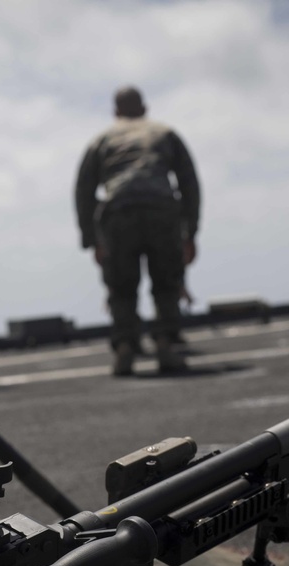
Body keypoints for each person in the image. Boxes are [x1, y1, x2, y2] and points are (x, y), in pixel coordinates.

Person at [75, 86, 201, 376]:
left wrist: (92, 239)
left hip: (118, 215)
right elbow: (189, 183)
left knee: (121, 288)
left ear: (115, 111)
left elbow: (83, 191)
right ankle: (165, 345)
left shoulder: (102, 139)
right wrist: (190, 232)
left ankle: (125, 349)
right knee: (166, 283)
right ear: (144, 107)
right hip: (161, 211)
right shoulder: (165, 132)